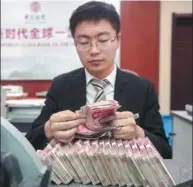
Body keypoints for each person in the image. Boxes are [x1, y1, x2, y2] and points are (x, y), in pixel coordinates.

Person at [26, 1, 172, 158]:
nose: (94, 50)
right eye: (83, 42)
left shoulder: (143, 89)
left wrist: (138, 132)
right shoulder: (61, 85)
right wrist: (49, 129)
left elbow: (165, 151)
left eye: (102, 40)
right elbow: (29, 143)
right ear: (75, 44)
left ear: (117, 40)